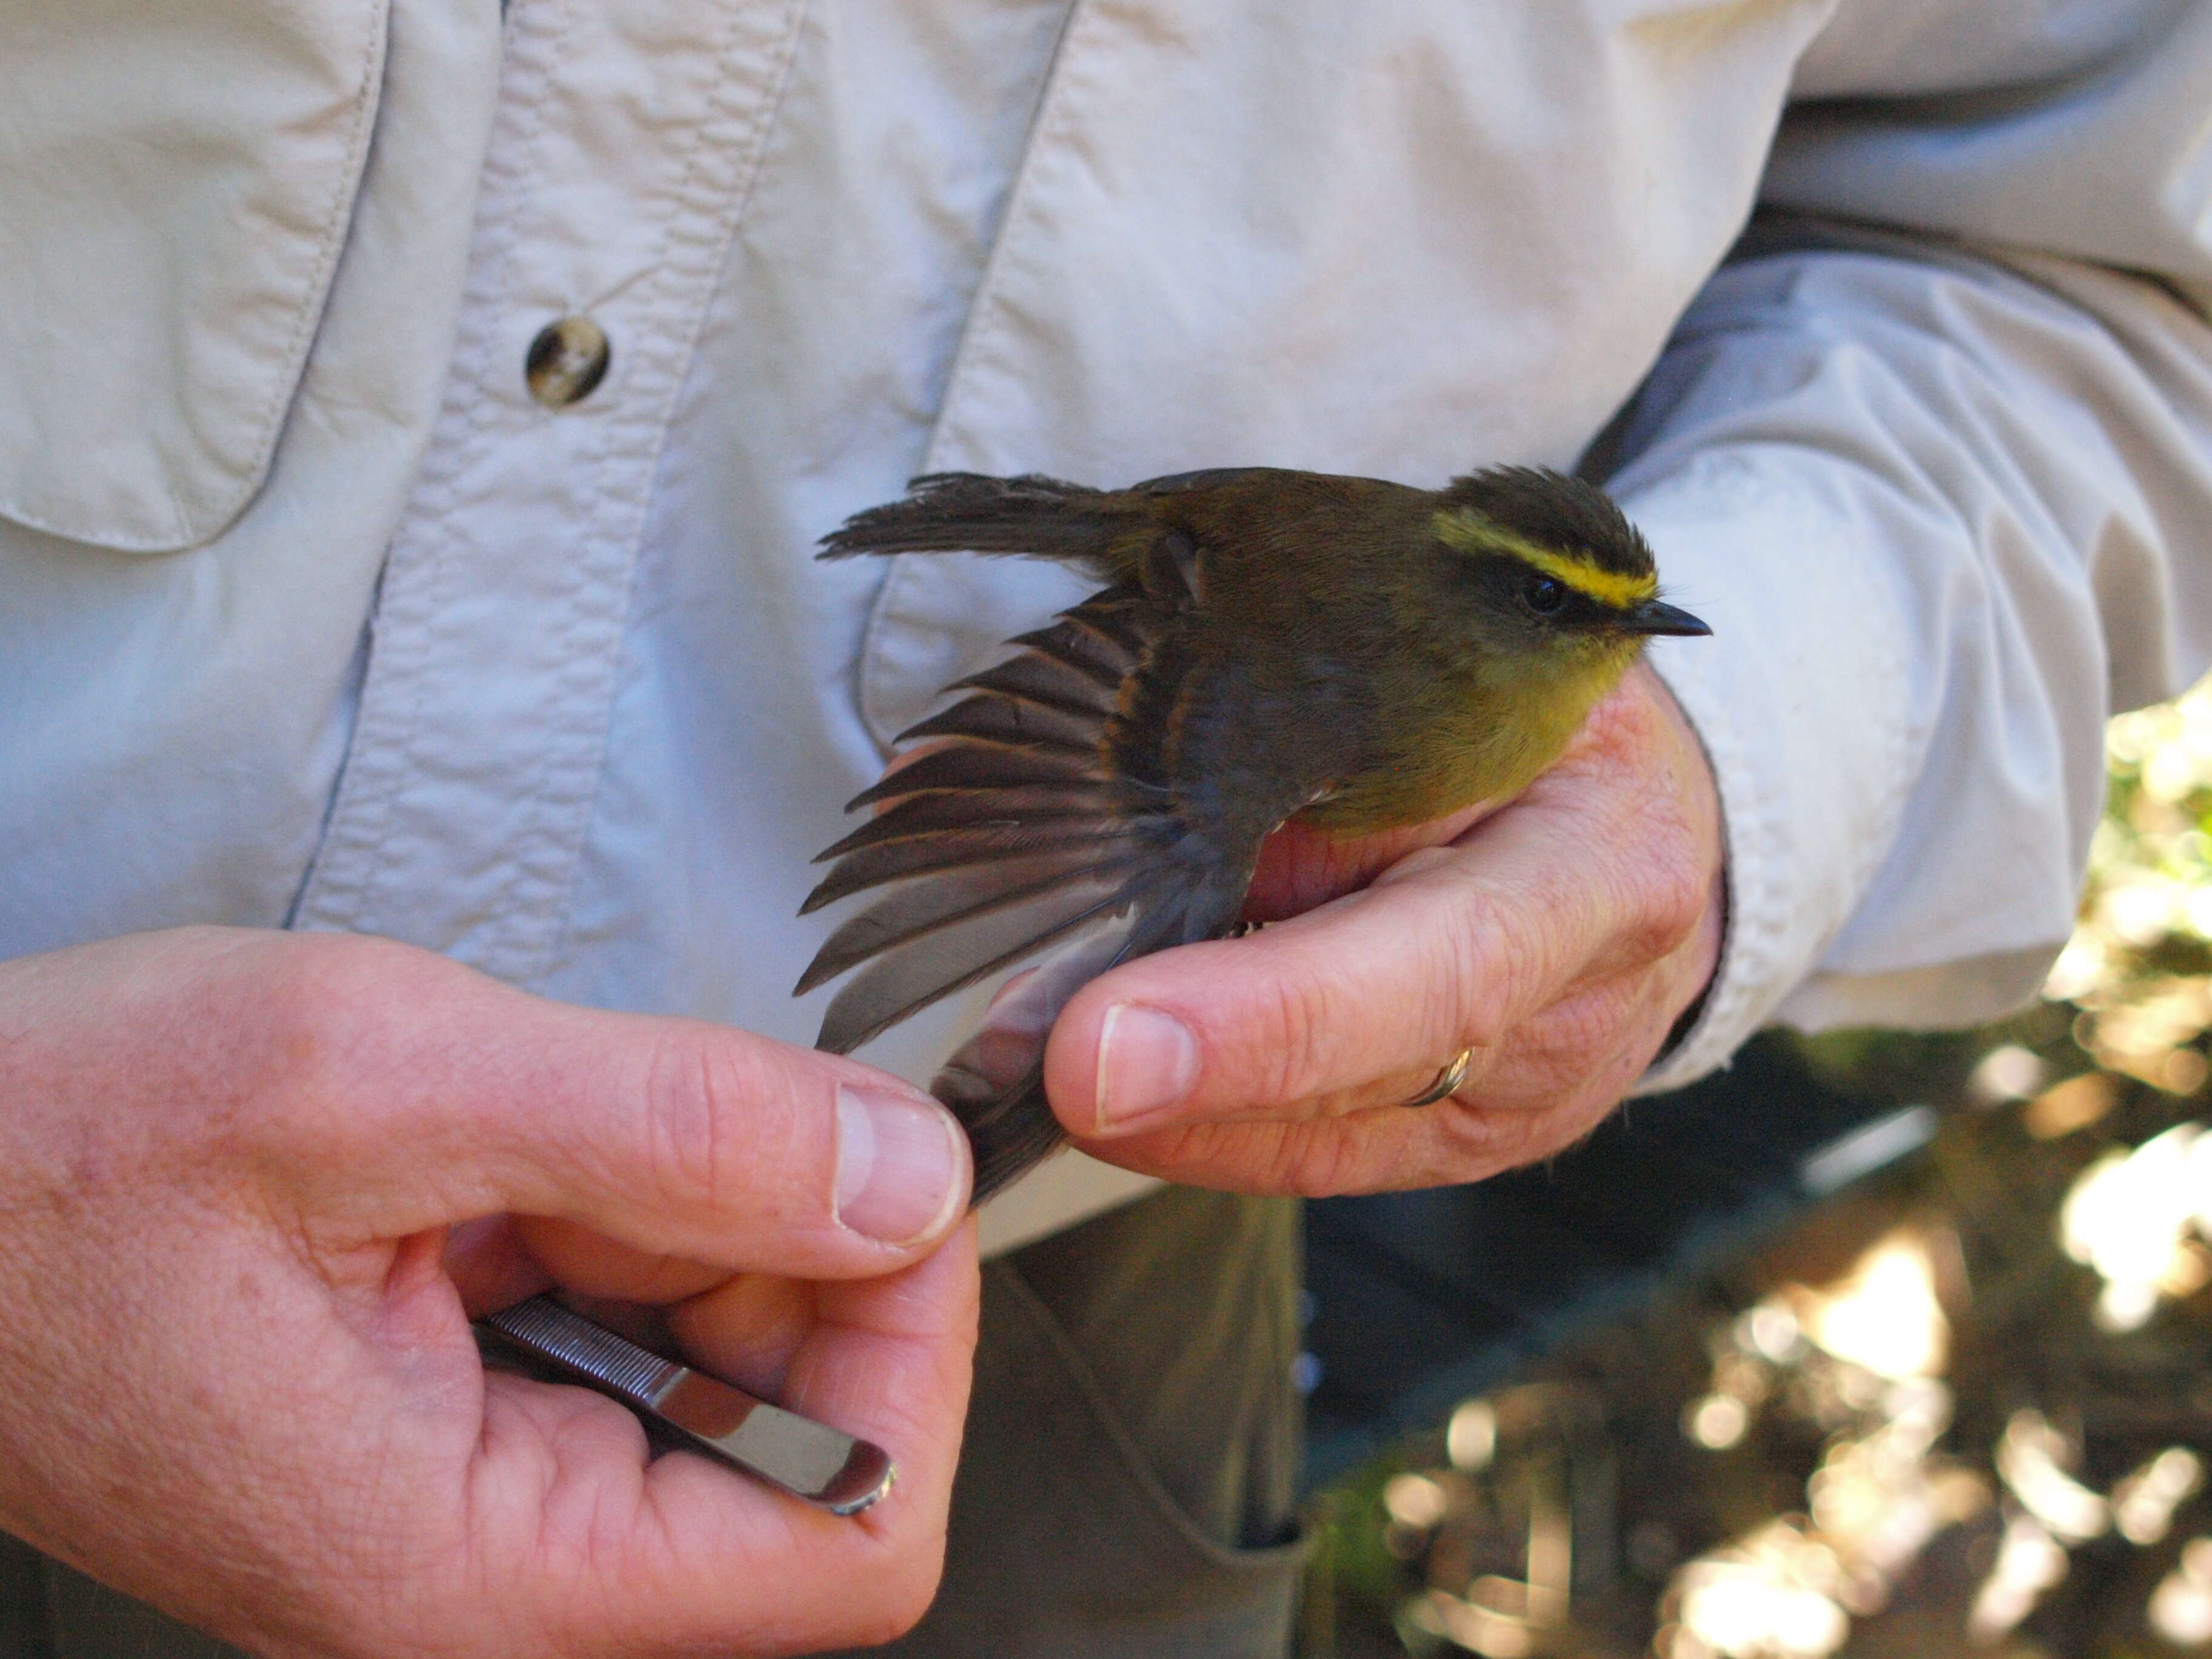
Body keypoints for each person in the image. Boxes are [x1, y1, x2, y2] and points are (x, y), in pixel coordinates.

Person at [4, 1, 2211, 1654]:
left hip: (988, 1290)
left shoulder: (1514, 672)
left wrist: (1737, 752)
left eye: (1631, 635)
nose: (1629, 655)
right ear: (1490, 598)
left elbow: (2095, 270)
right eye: (1583, 627)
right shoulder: (1405, 682)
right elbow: (1134, 755)